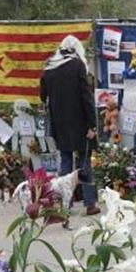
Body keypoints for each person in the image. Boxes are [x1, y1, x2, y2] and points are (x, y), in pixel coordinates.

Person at [40, 35, 99, 216]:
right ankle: (90, 204)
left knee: (65, 162)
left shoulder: (50, 66)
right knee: (84, 162)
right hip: (80, 122)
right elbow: (86, 97)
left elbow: (43, 95)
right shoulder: (77, 66)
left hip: (60, 123)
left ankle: (64, 203)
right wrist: (92, 124)